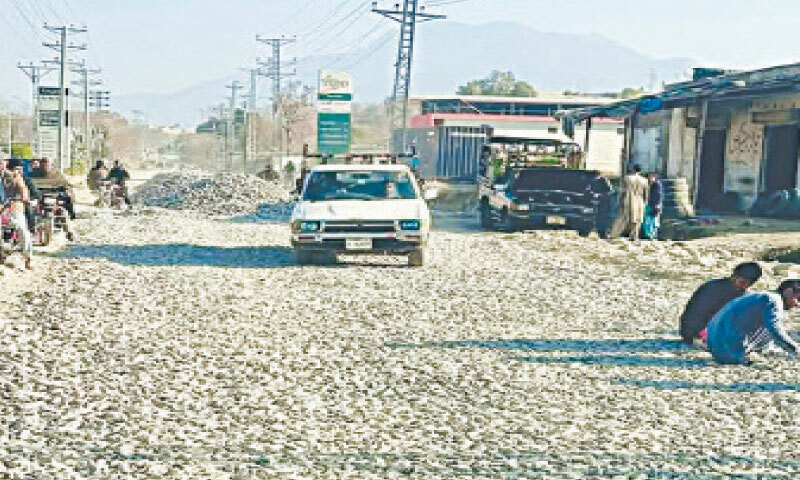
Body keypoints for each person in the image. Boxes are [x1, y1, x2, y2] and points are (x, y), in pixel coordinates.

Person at [706, 279, 800, 366]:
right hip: (729, 353)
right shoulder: (773, 301)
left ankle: (760, 350)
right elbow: (774, 328)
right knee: (775, 326)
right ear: (788, 292)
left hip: (716, 348)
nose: (797, 305)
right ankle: (747, 353)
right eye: (798, 299)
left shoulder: (761, 296)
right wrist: (795, 349)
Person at [679, 262, 763, 346]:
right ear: (734, 275)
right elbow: (693, 318)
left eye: (748, 283)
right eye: (742, 282)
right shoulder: (711, 289)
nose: (744, 286)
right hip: (695, 334)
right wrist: (701, 335)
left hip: (718, 334)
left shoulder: (744, 297)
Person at [2, 159, 33, 269]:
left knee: (22, 230)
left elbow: (23, 189)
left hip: (14, 206)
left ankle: (27, 257)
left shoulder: (16, 178)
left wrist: (24, 197)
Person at [610, 164, 649, 240]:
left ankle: (614, 234)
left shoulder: (627, 178)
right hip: (639, 200)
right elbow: (646, 193)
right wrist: (645, 203)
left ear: (633, 169)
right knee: (637, 219)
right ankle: (634, 236)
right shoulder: (644, 180)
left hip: (629, 199)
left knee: (623, 217)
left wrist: (620, 201)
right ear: (640, 171)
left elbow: (622, 191)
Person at [591, 173, 614, 238]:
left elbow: (610, 191)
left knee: (603, 218)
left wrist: (600, 195)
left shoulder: (604, 180)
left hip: (605, 201)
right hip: (599, 201)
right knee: (599, 218)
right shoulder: (594, 181)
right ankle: (600, 232)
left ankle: (603, 233)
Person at [642, 172, 663, 240]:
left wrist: (657, 205)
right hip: (649, 205)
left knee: (653, 221)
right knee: (648, 221)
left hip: (654, 205)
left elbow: (658, 196)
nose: (650, 178)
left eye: (652, 176)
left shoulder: (657, 184)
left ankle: (652, 235)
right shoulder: (649, 184)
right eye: (649, 176)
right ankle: (649, 235)